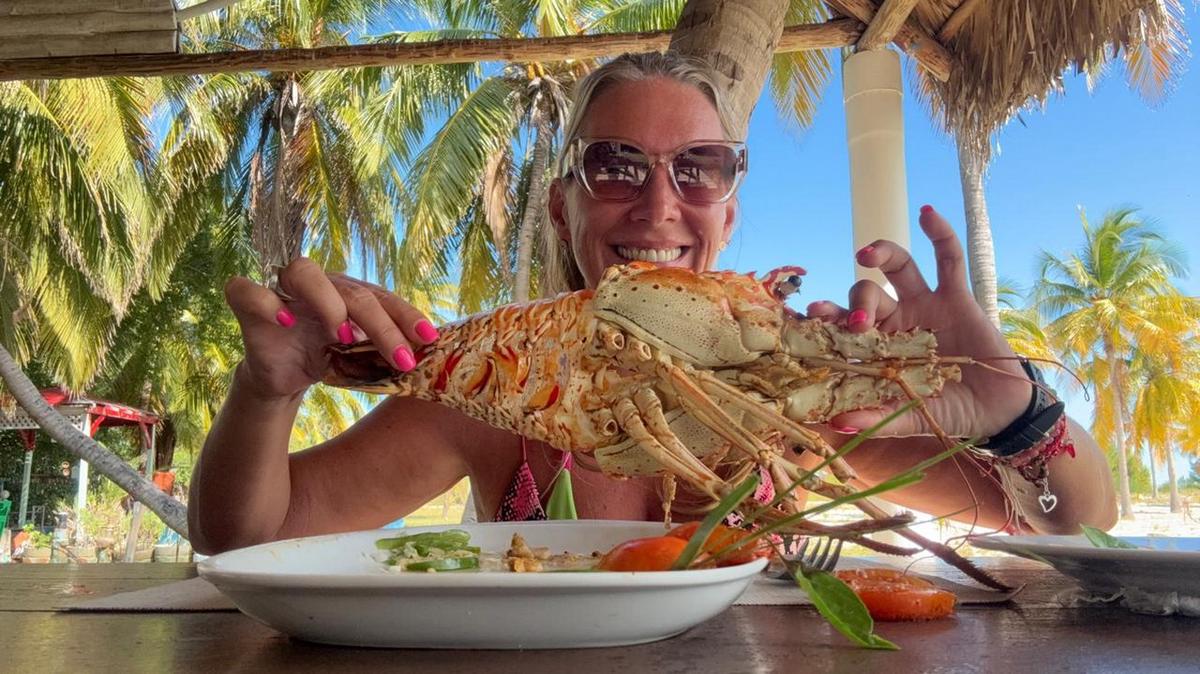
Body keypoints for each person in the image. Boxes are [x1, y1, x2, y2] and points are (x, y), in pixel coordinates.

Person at [189, 52, 1117, 555]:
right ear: (564, 208)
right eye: (616, 165)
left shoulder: (793, 406)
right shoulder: (490, 387)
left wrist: (1013, 407)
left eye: (700, 168)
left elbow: (1074, 521)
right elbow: (248, 538)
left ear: (729, 212)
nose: (660, 204)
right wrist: (267, 393)